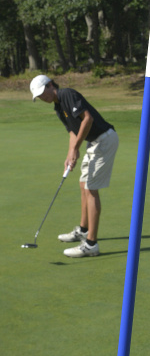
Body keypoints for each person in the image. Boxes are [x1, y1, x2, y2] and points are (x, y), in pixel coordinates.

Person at [30, 75, 119, 258]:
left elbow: (87, 120)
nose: (42, 98)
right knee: (83, 183)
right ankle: (83, 230)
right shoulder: (58, 107)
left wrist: (77, 148)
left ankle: (91, 244)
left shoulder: (66, 94)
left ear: (50, 85)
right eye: (38, 97)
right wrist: (71, 153)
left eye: (42, 93)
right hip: (94, 142)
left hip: (104, 140)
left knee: (91, 188)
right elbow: (72, 130)